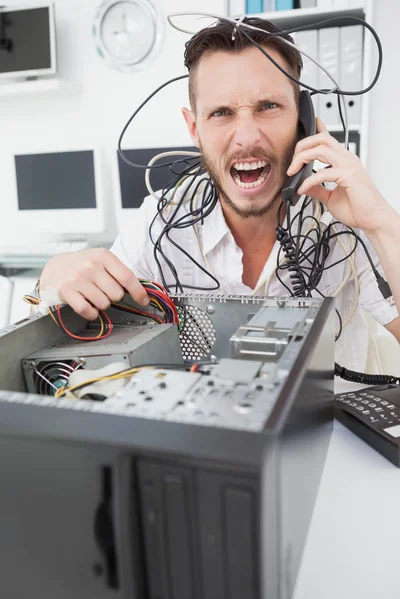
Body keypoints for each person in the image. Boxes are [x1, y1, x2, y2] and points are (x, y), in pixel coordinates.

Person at [39, 17, 400, 372]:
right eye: (222, 113)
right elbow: (79, 339)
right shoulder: (159, 223)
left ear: (302, 119)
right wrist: (55, 274)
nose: (247, 137)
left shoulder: (345, 222)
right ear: (195, 128)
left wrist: (383, 224)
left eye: (268, 107)